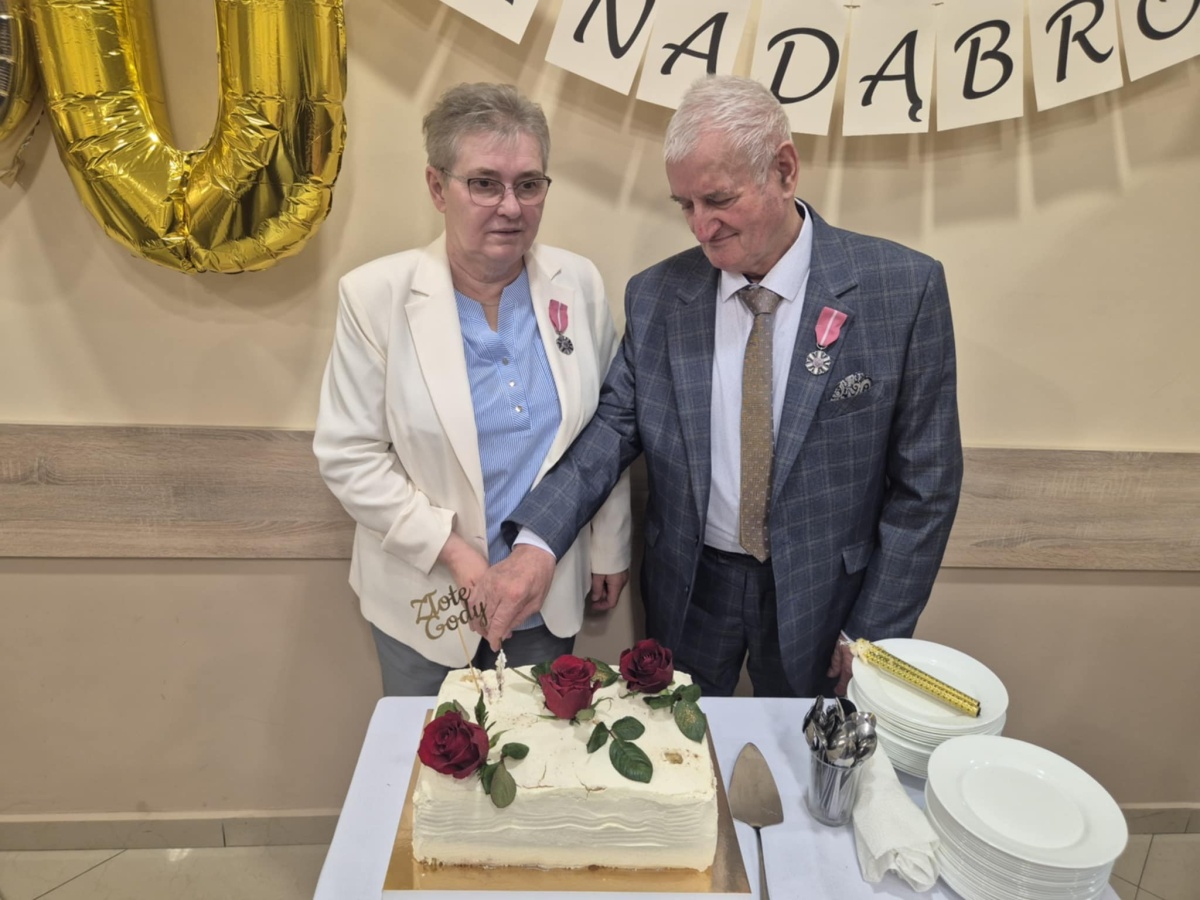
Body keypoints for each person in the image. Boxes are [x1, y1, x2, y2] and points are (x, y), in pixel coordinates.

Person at [473, 75, 962, 698]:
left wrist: (873, 630)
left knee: (803, 752)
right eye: (685, 205)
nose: (701, 227)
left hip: (827, 596)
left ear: (784, 171)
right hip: (693, 589)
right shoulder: (659, 297)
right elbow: (612, 431)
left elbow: (927, 488)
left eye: (718, 199)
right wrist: (536, 544)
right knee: (681, 746)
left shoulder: (902, 290)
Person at [313, 83, 631, 696]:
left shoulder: (578, 283)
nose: (511, 207)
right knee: (437, 745)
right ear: (438, 187)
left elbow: (605, 428)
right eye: (485, 183)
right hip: (427, 595)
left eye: (529, 184)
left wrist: (609, 548)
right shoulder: (374, 297)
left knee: (541, 742)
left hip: (546, 589)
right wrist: (457, 554)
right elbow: (349, 456)